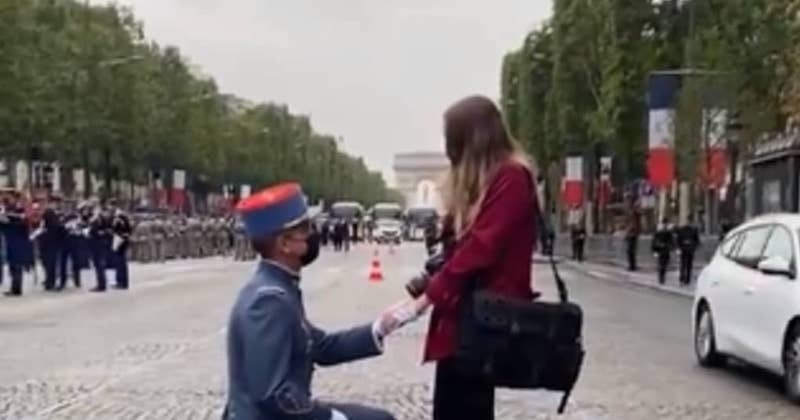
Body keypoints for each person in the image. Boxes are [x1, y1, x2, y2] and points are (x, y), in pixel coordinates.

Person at [396, 95, 539, 420]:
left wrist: (423, 301)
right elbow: (461, 248)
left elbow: (480, 249)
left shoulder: (511, 177)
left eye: (452, 140)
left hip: (482, 318)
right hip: (465, 318)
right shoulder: (488, 182)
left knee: (464, 408)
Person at [224, 182, 404, 420]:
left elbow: (320, 346)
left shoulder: (278, 287)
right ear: (284, 244)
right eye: (305, 229)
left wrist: (381, 326)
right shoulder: (269, 300)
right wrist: (332, 417)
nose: (312, 236)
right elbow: (271, 395)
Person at [676, 214, 700, 286]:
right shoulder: (682, 230)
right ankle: (682, 279)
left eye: (690, 221)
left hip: (690, 250)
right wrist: (679, 247)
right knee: (683, 265)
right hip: (683, 249)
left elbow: (696, 240)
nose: (688, 222)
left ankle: (687, 280)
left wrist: (694, 247)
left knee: (689, 265)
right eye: (688, 221)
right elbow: (678, 239)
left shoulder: (694, 230)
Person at [652, 218, 675, 285]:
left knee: (664, 264)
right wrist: (655, 250)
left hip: (665, 250)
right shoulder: (659, 232)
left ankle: (662, 277)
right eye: (664, 223)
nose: (665, 225)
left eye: (665, 223)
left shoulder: (667, 232)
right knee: (662, 264)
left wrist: (671, 248)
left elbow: (671, 241)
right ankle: (661, 278)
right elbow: (654, 241)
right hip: (661, 250)